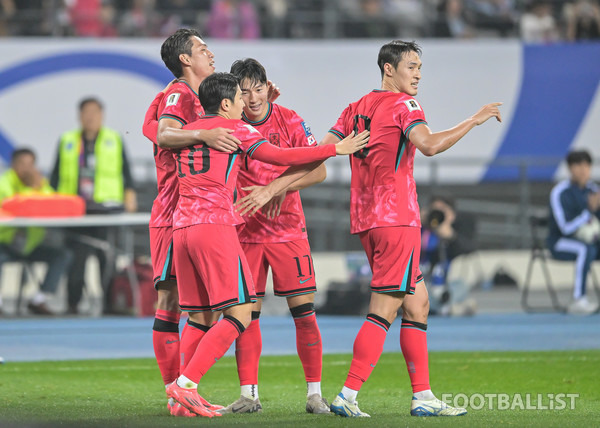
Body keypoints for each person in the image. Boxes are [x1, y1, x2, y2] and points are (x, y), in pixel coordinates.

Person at [164, 72, 369, 417]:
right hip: (216, 227)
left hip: (182, 228)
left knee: (199, 317)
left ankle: (179, 398)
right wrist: (338, 148)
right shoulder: (235, 130)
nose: (246, 102)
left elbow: (162, 135)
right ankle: (185, 385)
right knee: (241, 313)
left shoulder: (186, 130)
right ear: (227, 103)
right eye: (240, 97)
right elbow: (277, 156)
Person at [319, 40, 501, 417]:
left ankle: (423, 397)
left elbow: (324, 149)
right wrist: (473, 119)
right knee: (383, 310)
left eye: (420, 67)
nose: (418, 74)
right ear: (389, 68)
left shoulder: (354, 108)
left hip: (367, 221)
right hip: (396, 218)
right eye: (411, 66)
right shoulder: (405, 105)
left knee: (417, 305)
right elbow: (430, 145)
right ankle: (347, 395)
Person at [141, 28, 279, 418]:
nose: (211, 53)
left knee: (198, 312)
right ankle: (178, 392)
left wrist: (253, 107)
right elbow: (162, 132)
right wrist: (209, 131)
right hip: (176, 211)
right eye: (203, 48)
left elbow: (159, 127)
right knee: (173, 304)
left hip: (188, 212)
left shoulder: (197, 99)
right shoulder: (178, 94)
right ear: (185, 59)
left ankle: (184, 390)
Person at [222, 58, 330, 415]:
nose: (251, 97)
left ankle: (314, 394)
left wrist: (277, 188)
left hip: (288, 232)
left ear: (268, 87)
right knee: (246, 318)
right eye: (244, 90)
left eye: (257, 88)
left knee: (304, 314)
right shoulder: (229, 126)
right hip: (246, 233)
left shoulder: (290, 120)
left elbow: (319, 171)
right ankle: (249, 394)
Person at [50, 97, 136, 315]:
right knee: (75, 260)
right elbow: (55, 176)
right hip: (75, 211)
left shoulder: (114, 139)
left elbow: (126, 173)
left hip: (105, 210)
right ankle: (73, 304)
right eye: (86, 112)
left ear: (102, 115)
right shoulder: (67, 140)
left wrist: (130, 195)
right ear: (79, 116)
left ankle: (108, 304)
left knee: (107, 260)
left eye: (95, 112)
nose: (90, 117)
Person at [0, 148, 73, 315]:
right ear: (13, 165)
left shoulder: (40, 184)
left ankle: (39, 299)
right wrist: (34, 189)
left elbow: (52, 203)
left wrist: (38, 187)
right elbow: (19, 206)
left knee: (62, 255)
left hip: (30, 245)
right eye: (22, 164)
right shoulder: (4, 183)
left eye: (30, 164)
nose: (26, 169)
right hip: (6, 243)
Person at [548, 149, 600, 315]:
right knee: (585, 249)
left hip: (591, 240)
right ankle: (579, 299)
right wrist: (588, 211)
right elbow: (565, 228)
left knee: (589, 247)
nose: (583, 170)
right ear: (570, 168)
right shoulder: (560, 193)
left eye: (587, 165)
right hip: (560, 242)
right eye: (578, 165)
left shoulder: (594, 190)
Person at [420, 195, 477, 315]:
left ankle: (439, 307)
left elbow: (469, 250)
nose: (437, 215)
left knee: (461, 285)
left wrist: (450, 235)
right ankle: (447, 308)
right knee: (416, 294)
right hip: (424, 283)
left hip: (447, 285)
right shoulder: (421, 230)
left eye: (442, 211)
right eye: (434, 211)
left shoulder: (456, 229)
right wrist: (416, 222)